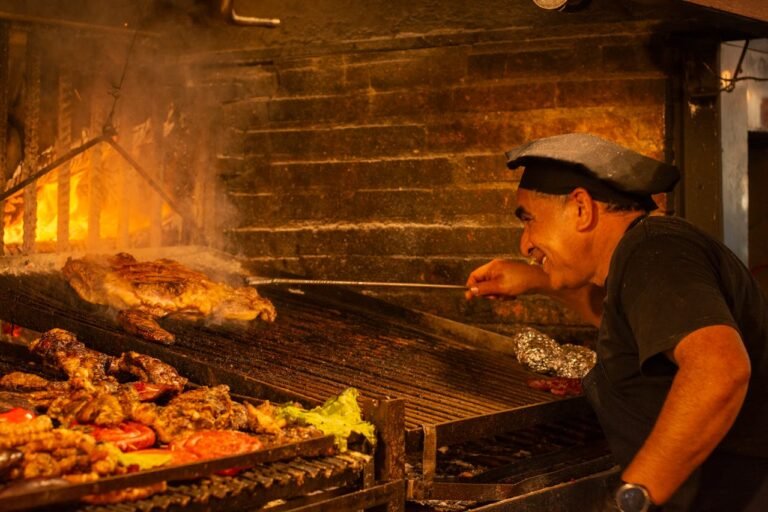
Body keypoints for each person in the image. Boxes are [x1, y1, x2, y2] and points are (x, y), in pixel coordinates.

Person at [465, 133, 768, 511]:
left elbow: (719, 369)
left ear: (581, 208)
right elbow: (637, 330)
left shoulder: (656, 252)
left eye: (529, 220)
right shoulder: (643, 255)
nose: (525, 244)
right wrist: (537, 280)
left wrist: (634, 495)